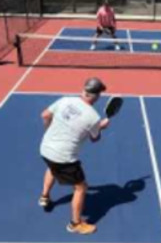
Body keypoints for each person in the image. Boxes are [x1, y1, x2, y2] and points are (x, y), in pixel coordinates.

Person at [39, 78, 109, 234]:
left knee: (52, 167)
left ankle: (44, 197)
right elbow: (94, 139)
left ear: (84, 90)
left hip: (45, 148)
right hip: (64, 157)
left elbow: (44, 115)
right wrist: (101, 127)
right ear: (96, 96)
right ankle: (75, 224)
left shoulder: (65, 100)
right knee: (81, 187)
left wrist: (50, 134)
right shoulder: (93, 117)